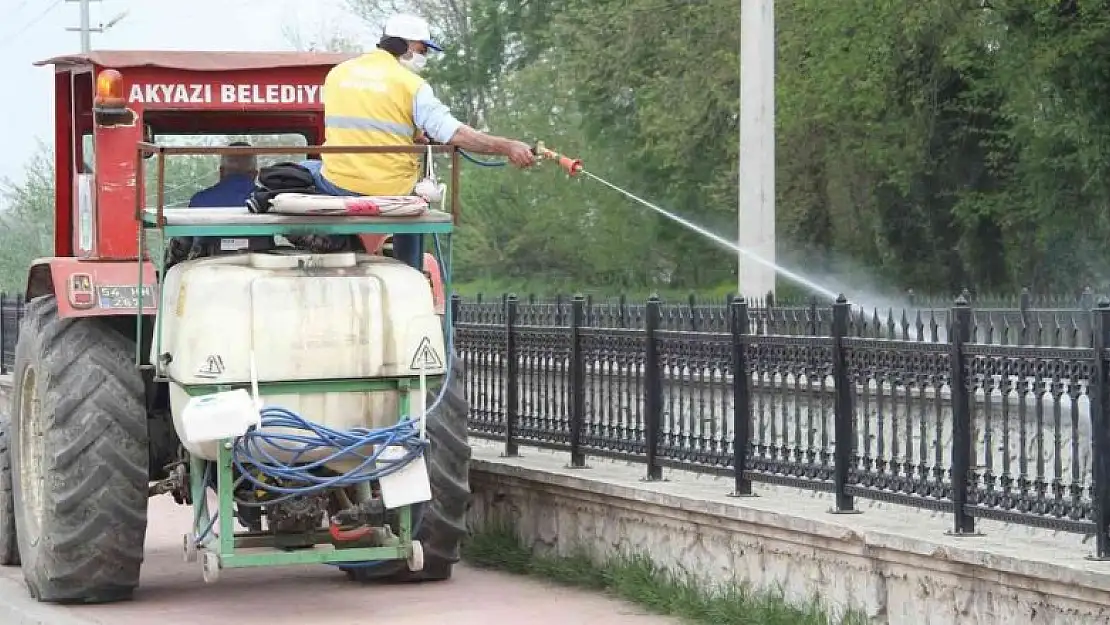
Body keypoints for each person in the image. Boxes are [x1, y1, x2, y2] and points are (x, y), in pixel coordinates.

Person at [297, 12, 536, 267]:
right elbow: (454, 133)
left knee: (304, 169)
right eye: (422, 50)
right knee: (414, 201)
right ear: (403, 45)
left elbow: (365, 122)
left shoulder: (337, 75)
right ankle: (410, 269)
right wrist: (507, 146)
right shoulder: (411, 85)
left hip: (337, 184)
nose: (424, 58)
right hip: (389, 190)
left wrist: (409, 134)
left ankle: (301, 240)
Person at [166, 141, 267, 266]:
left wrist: (169, 270)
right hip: (262, 271)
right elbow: (295, 236)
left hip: (207, 272)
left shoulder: (199, 201)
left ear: (221, 172)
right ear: (255, 174)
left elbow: (181, 246)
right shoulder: (269, 201)